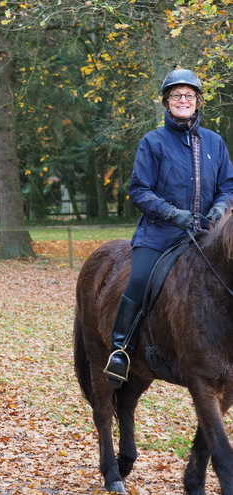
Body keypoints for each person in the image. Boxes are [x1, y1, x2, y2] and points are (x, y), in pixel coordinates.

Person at [103, 68, 233, 388]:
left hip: (206, 234)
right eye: (176, 95)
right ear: (166, 101)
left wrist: (219, 209)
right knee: (139, 280)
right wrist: (173, 214)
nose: (183, 100)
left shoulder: (215, 143)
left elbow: (228, 186)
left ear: (198, 101)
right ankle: (120, 349)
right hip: (160, 234)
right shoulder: (153, 142)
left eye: (189, 95)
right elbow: (140, 190)